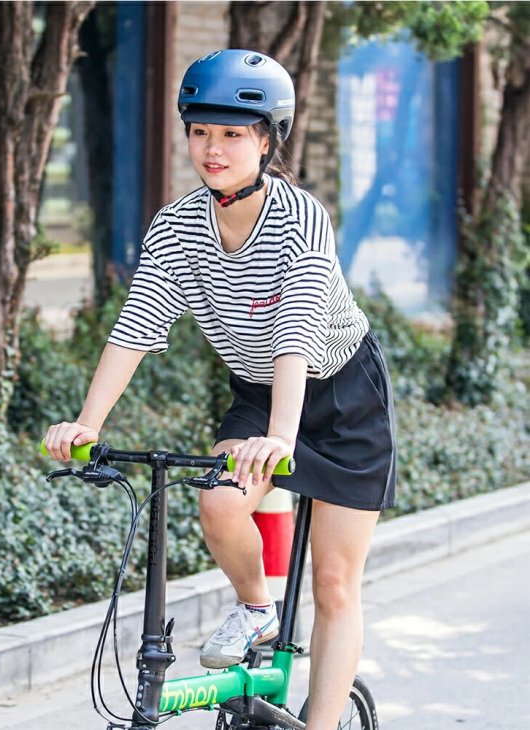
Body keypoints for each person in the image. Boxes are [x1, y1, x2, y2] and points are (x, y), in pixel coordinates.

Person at [45, 49, 396, 730]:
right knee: (219, 501)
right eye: (201, 131)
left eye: (234, 133)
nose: (213, 148)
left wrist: (283, 438)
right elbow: (138, 325)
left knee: (333, 584)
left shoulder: (301, 220)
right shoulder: (178, 227)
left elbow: (297, 332)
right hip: (260, 393)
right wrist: (87, 423)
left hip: (343, 396)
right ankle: (255, 609)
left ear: (268, 140)